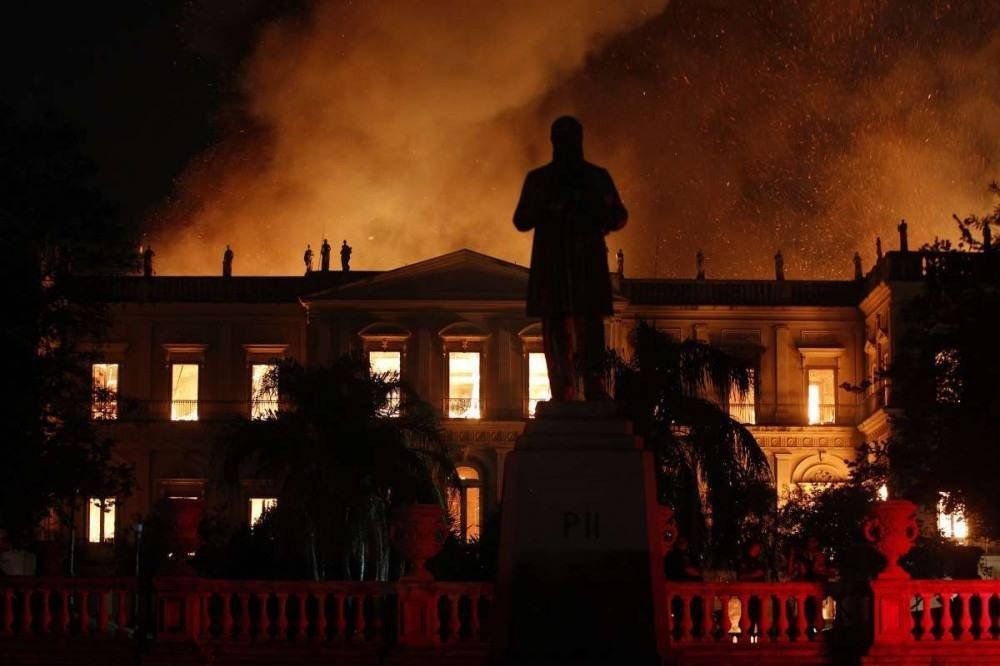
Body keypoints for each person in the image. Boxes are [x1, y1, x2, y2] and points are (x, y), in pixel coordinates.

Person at [513, 116, 627, 401]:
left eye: (569, 139)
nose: (565, 146)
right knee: (558, 331)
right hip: (557, 268)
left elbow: (619, 216)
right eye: (562, 140)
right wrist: (551, 209)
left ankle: (592, 386)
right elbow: (522, 219)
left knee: (587, 329)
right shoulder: (543, 180)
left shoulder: (594, 178)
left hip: (580, 266)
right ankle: (565, 389)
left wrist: (595, 214)